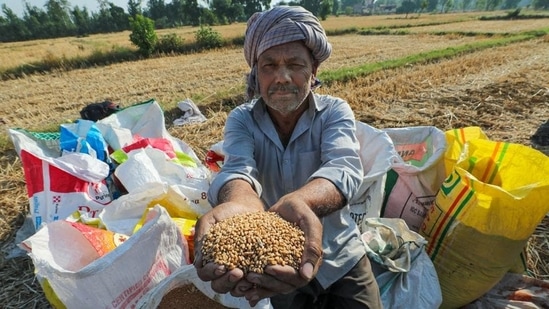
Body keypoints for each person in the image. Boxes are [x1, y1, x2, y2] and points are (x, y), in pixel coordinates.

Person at [193, 6, 382, 309]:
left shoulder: (334, 111)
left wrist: (303, 202)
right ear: (256, 74)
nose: (281, 77)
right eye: (268, 66)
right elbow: (238, 169)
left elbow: (343, 166)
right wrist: (241, 204)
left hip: (342, 255)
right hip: (275, 260)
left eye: (294, 64)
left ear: (314, 71)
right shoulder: (242, 119)